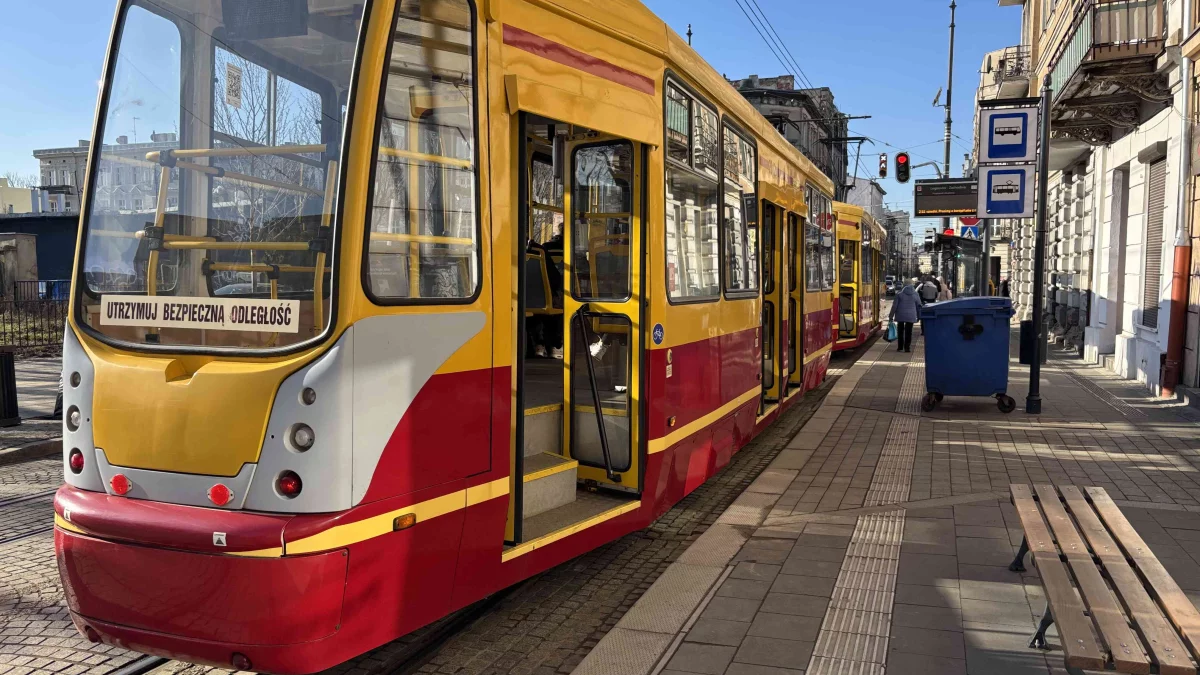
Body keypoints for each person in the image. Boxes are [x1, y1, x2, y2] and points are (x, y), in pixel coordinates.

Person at [889, 279, 921, 353]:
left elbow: (894, 306)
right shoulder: (915, 294)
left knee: (900, 331)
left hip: (900, 315)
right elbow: (919, 306)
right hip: (911, 315)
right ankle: (907, 348)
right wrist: (919, 316)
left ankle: (900, 347)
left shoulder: (899, 294)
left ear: (904, 285)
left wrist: (891, 316)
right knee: (909, 332)